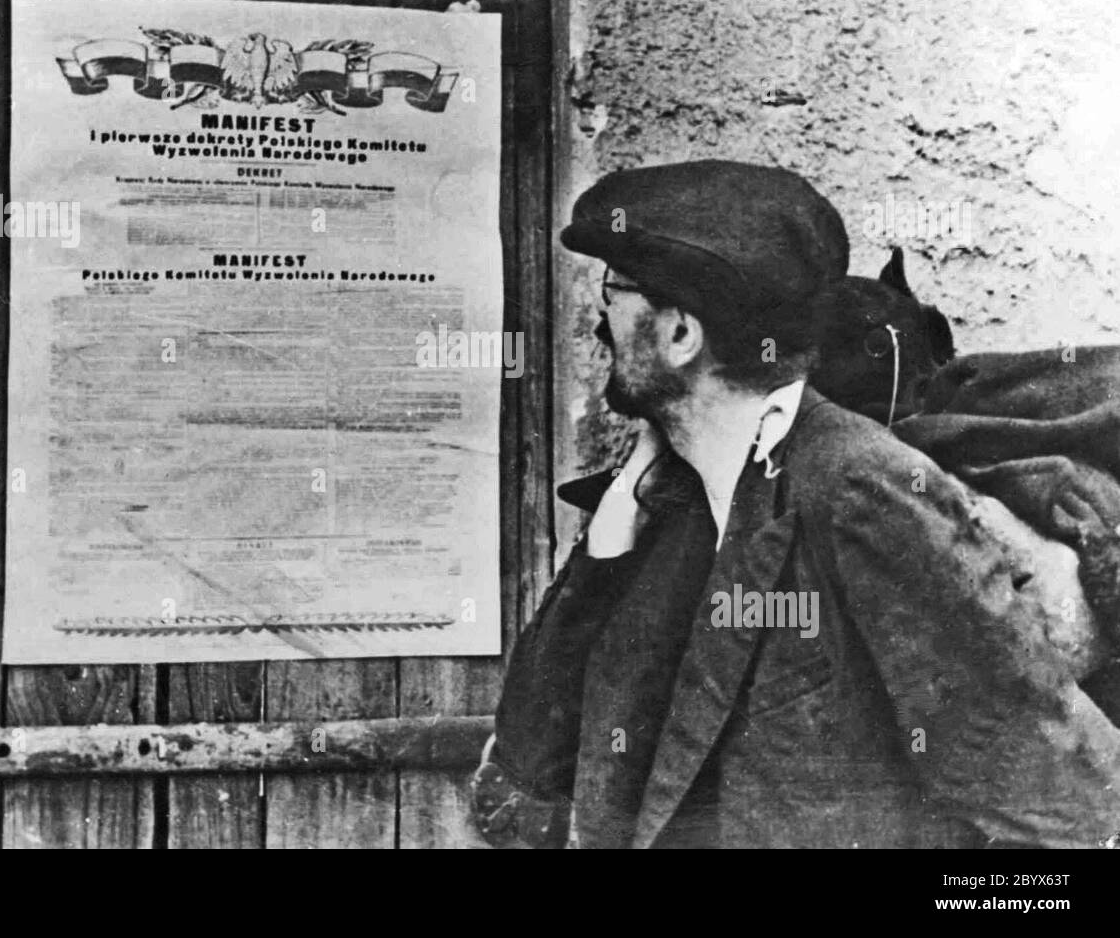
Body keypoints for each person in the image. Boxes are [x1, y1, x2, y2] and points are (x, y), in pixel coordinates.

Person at [471, 160, 1120, 849]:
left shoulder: (861, 490)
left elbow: (1067, 804)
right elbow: (526, 770)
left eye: (616, 291)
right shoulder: (673, 498)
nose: (600, 318)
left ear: (681, 334)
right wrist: (609, 539)